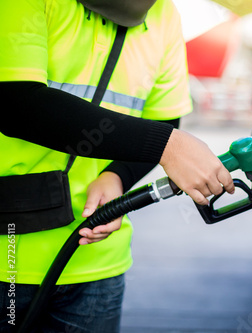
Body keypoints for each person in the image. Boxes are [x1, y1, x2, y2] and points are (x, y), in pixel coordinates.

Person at [0, 0, 235, 331]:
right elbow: (17, 103)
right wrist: (167, 144)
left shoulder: (163, 14)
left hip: (98, 265)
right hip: (7, 258)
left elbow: (164, 114)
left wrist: (118, 175)